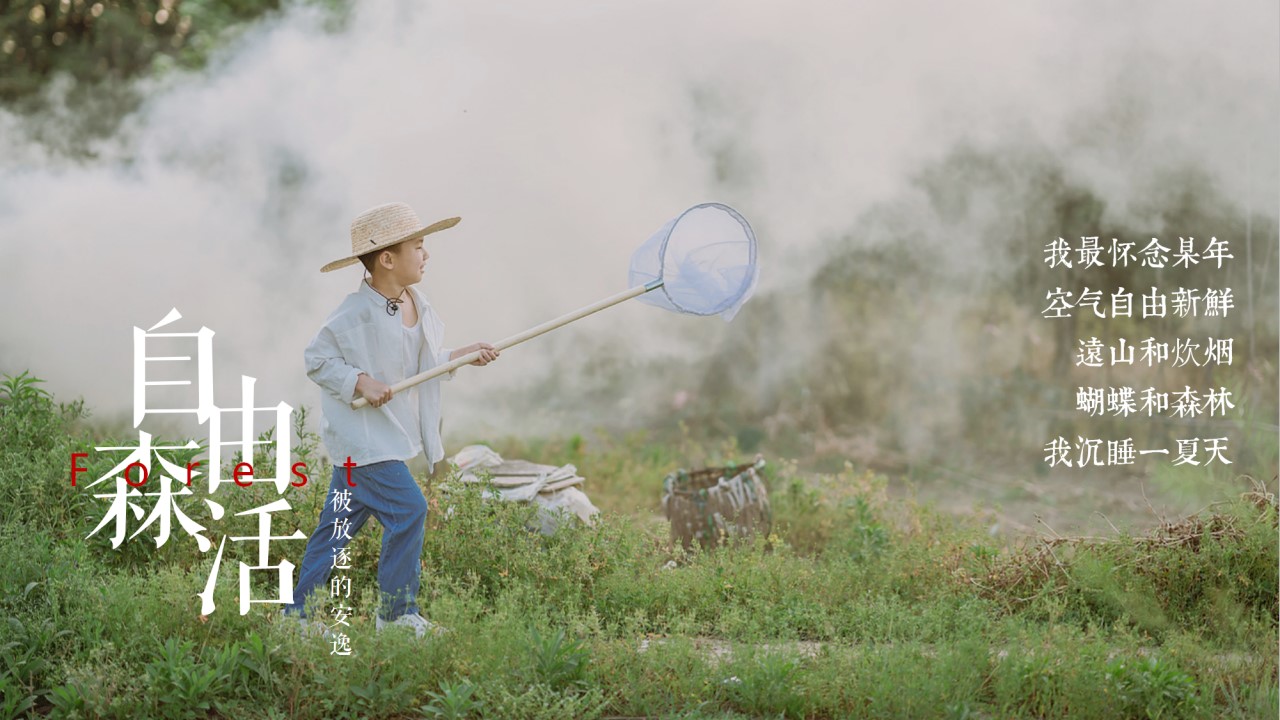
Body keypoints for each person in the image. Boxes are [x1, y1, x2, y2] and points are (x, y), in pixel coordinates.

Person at [282, 201, 498, 639]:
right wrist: (360, 381)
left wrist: (460, 356)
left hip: (379, 439)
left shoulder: (414, 302)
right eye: (418, 246)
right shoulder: (353, 313)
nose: (426, 255)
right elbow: (317, 360)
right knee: (410, 508)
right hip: (365, 440)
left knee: (336, 529)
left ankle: (295, 620)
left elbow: (417, 365)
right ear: (387, 259)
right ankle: (397, 616)